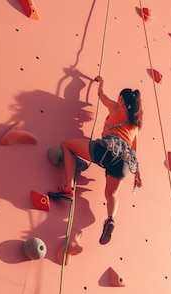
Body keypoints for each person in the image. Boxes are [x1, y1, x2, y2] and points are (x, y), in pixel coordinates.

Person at [50, 75, 143, 245]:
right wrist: (137, 174)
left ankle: (67, 188)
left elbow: (101, 95)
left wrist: (101, 81)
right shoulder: (135, 125)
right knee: (111, 194)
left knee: (67, 146)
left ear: (121, 99)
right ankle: (110, 219)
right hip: (124, 161)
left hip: (107, 149)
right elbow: (134, 151)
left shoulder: (116, 108)